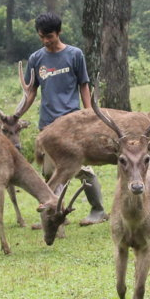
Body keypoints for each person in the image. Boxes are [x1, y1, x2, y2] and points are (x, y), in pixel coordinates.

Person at [17, 12, 109, 225]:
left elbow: (83, 85)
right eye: (42, 37)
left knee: (81, 168)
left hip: (72, 124)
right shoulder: (36, 59)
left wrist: (90, 114)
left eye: (49, 36)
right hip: (48, 125)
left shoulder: (75, 55)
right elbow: (31, 92)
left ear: (59, 32)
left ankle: (98, 210)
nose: (46, 41)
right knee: (50, 172)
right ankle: (55, 215)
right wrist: (18, 114)